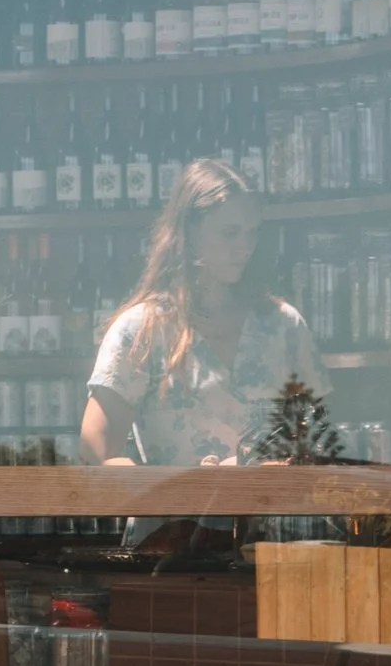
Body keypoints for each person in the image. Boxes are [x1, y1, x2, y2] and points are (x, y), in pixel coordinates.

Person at [80, 158, 326, 468]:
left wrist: (269, 466)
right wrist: (154, 487)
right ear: (190, 233)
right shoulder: (143, 330)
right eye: (230, 233)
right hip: (174, 515)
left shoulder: (283, 325)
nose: (245, 246)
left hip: (266, 513)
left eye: (252, 232)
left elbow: (317, 439)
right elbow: (94, 450)